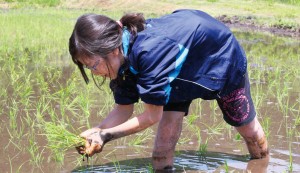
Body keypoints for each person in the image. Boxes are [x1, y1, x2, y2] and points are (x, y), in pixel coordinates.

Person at [69, 9, 269, 171]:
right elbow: (123, 109)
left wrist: (106, 136)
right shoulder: (119, 63)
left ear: (112, 49)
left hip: (221, 58)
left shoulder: (149, 52)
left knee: (249, 131)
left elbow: (151, 116)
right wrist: (96, 131)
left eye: (93, 65)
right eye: (87, 68)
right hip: (176, 72)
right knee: (161, 150)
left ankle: (263, 164)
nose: (93, 72)